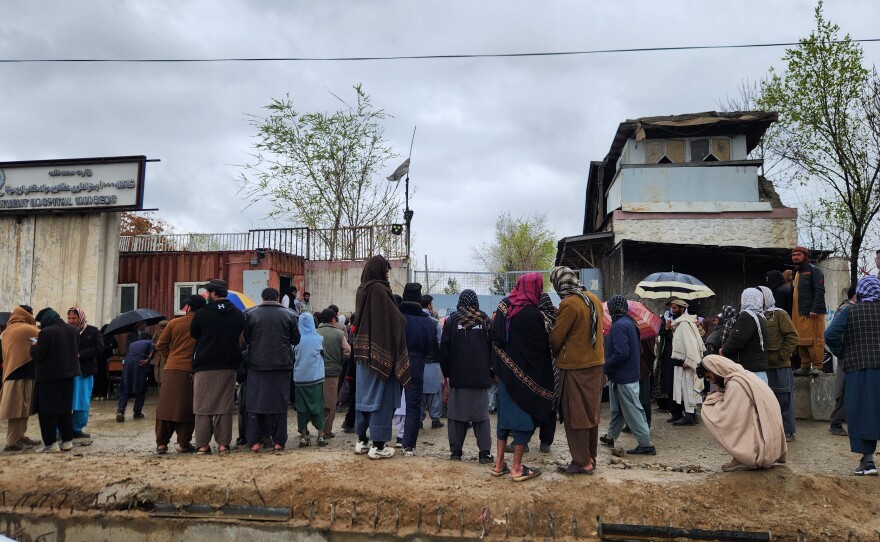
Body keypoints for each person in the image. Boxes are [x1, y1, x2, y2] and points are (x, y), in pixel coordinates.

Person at [490, 272, 554, 482]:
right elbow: (540, 348)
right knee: (523, 420)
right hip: (526, 382)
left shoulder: (503, 306)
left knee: (503, 421)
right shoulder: (532, 314)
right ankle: (517, 467)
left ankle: (499, 464)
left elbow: (495, 338)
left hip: (505, 377)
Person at [352, 255, 411, 460]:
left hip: (362, 353)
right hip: (379, 353)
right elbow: (393, 320)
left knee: (363, 398)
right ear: (378, 270)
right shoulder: (379, 289)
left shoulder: (362, 289)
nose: (387, 274)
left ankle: (362, 441)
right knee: (381, 400)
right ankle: (378, 446)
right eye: (386, 270)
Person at [548, 267, 604, 474]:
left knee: (576, 416)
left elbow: (556, 339)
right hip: (596, 366)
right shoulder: (593, 299)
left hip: (575, 369)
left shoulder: (569, 303)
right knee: (591, 415)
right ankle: (591, 457)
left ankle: (582, 462)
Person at [825, 275, 880, 476]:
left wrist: (843, 353)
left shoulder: (849, 311)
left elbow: (830, 335)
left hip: (859, 369)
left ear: (861, 292)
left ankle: (868, 462)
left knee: (863, 412)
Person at [697, 355, 787, 471]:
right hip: (770, 440)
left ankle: (745, 457)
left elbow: (730, 419)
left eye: (710, 377)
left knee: (708, 409)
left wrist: (711, 400)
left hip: (761, 445)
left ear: (716, 369)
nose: (713, 381)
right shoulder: (745, 375)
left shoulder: (736, 384)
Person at [190, 279, 246, 455]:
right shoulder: (238, 314)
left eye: (207, 293)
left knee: (202, 406)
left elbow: (194, 333)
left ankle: (202, 445)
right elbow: (238, 334)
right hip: (229, 364)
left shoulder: (202, 314)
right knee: (224, 406)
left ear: (213, 293)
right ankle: (223, 445)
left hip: (205, 365)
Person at [439, 289, 494, 464]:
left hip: (458, 375)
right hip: (480, 376)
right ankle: (484, 453)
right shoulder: (485, 320)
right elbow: (493, 348)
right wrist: (491, 373)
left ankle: (456, 452)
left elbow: (444, 349)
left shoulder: (452, 320)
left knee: (456, 415)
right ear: (476, 301)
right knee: (481, 417)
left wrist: (447, 373)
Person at [242, 288, 299, 452]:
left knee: (255, 403)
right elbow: (296, 339)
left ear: (262, 297)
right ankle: (279, 442)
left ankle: (254, 442)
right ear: (278, 298)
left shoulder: (251, 314)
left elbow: (247, 338)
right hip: (281, 366)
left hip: (256, 366)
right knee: (280, 404)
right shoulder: (290, 315)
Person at [600, 295, 656, 455]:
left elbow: (621, 353)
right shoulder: (630, 323)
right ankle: (611, 437)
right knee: (617, 409)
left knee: (633, 410)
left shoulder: (618, 326)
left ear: (612, 309)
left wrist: (606, 366)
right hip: (627, 374)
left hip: (623, 375)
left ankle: (646, 444)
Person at [154, 295, 204, 454]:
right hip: (191, 369)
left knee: (165, 406)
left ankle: (161, 443)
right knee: (187, 407)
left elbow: (160, 345)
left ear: (188, 307)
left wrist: (171, 357)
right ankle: (183, 443)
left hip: (171, 369)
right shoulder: (201, 325)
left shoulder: (173, 323)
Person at [30, 308, 81, 453]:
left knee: (47, 412)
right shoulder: (74, 331)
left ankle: (51, 444)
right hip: (68, 378)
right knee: (65, 410)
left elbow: (39, 355)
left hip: (48, 379)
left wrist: (33, 347)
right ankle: (67, 441)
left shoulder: (46, 333)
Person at [399, 283, 439, 456]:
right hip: (416, 364)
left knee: (388, 400)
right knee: (413, 405)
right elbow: (432, 349)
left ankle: (380, 441)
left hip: (395, 362)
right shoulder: (428, 322)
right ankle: (408, 445)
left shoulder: (396, 317)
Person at [758, 286, 799, 442]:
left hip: (780, 366)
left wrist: (782, 354)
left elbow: (793, 336)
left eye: (760, 296)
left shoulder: (779, 314)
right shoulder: (755, 316)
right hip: (763, 366)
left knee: (784, 399)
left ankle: (788, 431)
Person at [0, 305, 41, 451]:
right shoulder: (25, 329)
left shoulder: (8, 330)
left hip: (15, 372)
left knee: (23, 407)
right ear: (26, 314)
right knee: (17, 408)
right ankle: (12, 442)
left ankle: (20, 436)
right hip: (19, 373)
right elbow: (44, 336)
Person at [67, 307, 103, 439]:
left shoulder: (92, 331)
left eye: (74, 318)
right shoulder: (65, 331)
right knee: (66, 401)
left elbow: (99, 348)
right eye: (69, 318)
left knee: (81, 400)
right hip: (68, 371)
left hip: (85, 371)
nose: (71, 321)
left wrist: (80, 354)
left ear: (80, 318)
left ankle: (77, 428)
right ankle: (61, 430)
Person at [721, 288, 770, 385]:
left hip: (749, 370)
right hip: (758, 369)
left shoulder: (747, 316)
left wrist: (723, 350)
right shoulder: (761, 317)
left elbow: (736, 340)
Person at [790, 246, 827, 376]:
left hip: (812, 313)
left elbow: (819, 290)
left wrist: (815, 308)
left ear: (805, 256)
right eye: (794, 255)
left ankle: (817, 366)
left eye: (798, 255)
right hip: (798, 312)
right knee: (800, 339)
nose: (795, 257)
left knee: (815, 339)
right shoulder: (797, 273)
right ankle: (805, 365)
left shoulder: (814, 271)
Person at [667, 299, 703, 426]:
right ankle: (691, 415)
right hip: (681, 361)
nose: (673, 310)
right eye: (672, 308)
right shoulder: (681, 323)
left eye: (675, 308)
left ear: (682, 309)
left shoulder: (684, 324)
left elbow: (691, 344)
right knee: (686, 389)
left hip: (686, 362)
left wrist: (689, 360)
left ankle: (689, 416)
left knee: (688, 388)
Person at [316, 308, 350, 440]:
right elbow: (347, 350)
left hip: (316, 372)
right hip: (332, 372)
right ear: (333, 319)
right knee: (330, 402)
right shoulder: (338, 333)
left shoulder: (315, 332)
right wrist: (340, 361)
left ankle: (310, 429)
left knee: (316, 400)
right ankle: (326, 430)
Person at [293, 312, 327, 447]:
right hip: (316, 378)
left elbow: (292, 356)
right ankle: (320, 436)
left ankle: (304, 437)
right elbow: (324, 355)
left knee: (302, 408)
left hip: (300, 379)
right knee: (318, 406)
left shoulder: (296, 339)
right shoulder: (319, 338)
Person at [828, 285, 857, 437]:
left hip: (852, 355)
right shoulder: (845, 309)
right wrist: (841, 352)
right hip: (847, 355)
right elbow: (834, 334)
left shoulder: (851, 308)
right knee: (843, 390)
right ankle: (836, 422)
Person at [419, 294, 444, 430]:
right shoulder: (434, 323)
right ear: (429, 305)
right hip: (433, 362)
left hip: (418, 363)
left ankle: (419, 420)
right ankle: (435, 420)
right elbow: (440, 343)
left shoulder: (412, 320)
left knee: (420, 393)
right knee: (434, 393)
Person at [116, 336, 155, 422]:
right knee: (141, 387)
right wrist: (147, 361)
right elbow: (152, 353)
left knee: (125, 387)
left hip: (127, 363)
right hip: (139, 363)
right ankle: (137, 413)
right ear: (149, 338)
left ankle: (120, 411)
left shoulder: (133, 344)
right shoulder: (150, 343)